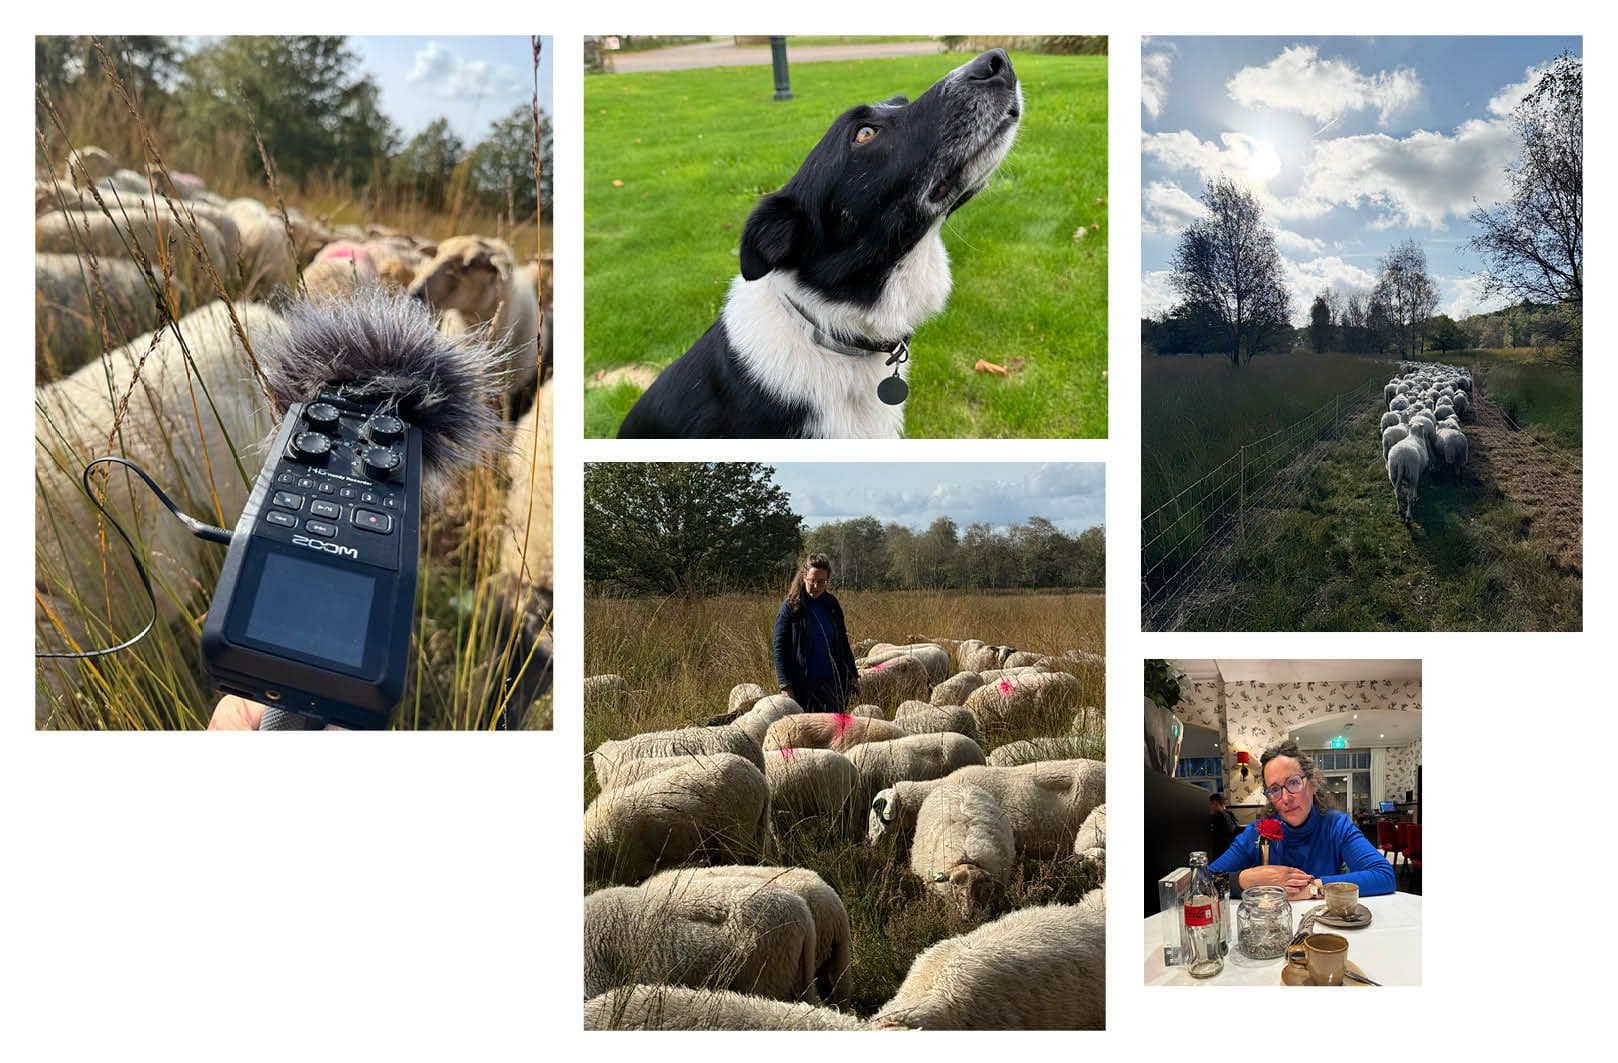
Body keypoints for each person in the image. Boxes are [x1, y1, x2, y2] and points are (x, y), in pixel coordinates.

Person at [1210, 741, 1395, 899]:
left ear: (1313, 783)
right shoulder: (1258, 832)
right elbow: (1204, 881)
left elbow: (1384, 875)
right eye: (1274, 789)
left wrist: (1312, 888)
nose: (1285, 798)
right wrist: (1245, 880)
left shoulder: (1336, 826)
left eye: (1293, 783)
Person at [772, 553, 858, 713]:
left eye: (822, 582)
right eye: (813, 581)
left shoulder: (831, 605)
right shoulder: (791, 607)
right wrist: (785, 684)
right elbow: (779, 648)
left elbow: (842, 641)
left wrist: (852, 674)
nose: (817, 586)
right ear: (804, 577)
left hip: (831, 684)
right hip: (802, 685)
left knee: (834, 731)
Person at [1208, 792, 1239, 859]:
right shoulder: (1229, 814)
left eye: (1211, 804)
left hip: (1221, 851)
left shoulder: (1218, 817)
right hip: (1230, 849)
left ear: (1215, 803)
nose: (1210, 806)